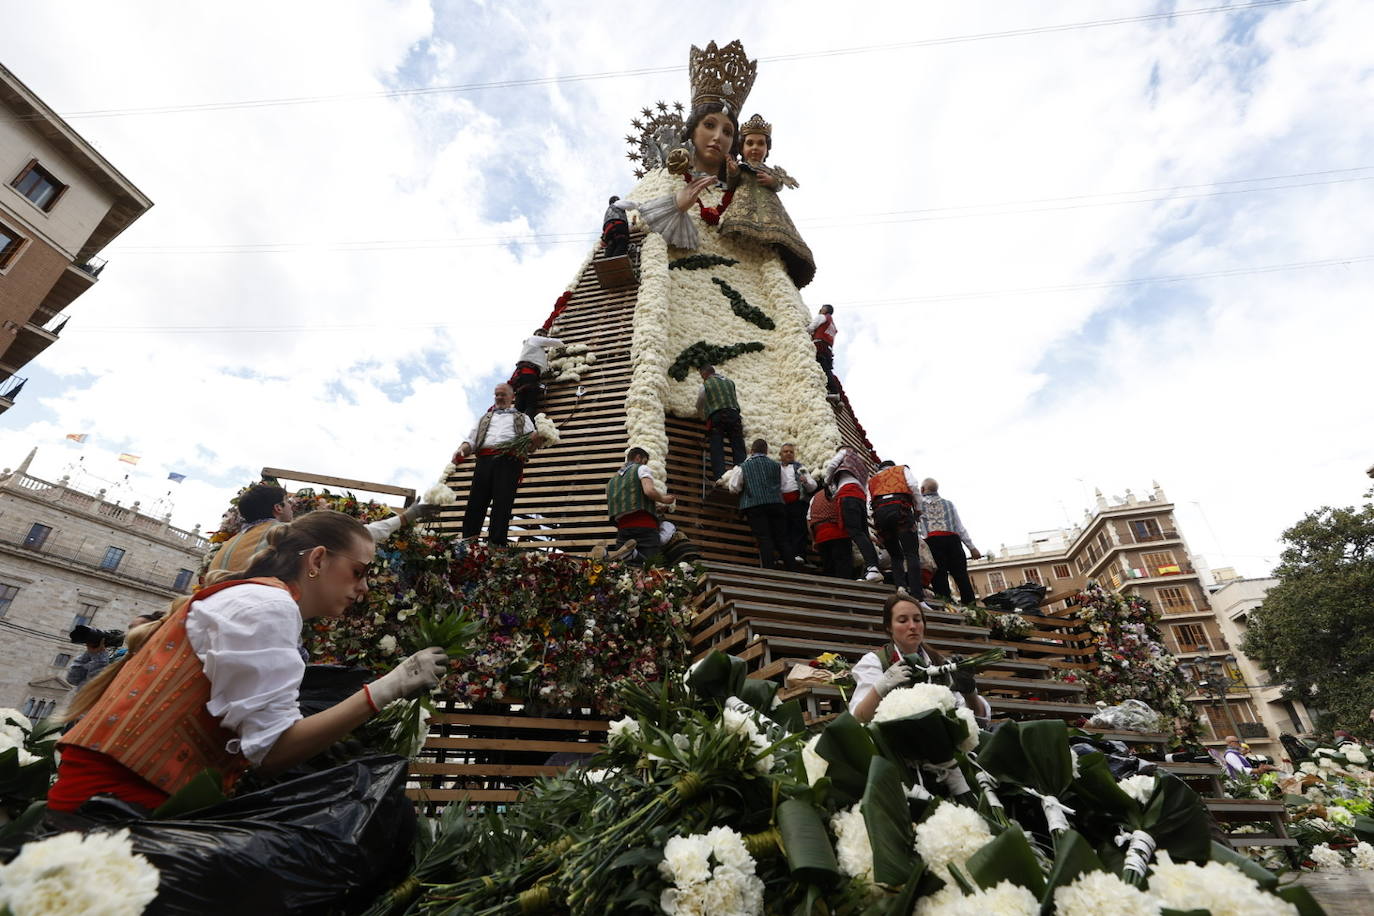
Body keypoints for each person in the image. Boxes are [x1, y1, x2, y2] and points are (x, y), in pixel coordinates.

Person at [49, 510, 448, 811]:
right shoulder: (268, 606)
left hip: (119, 794)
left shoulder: (259, 596)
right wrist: (390, 686)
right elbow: (274, 751)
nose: (363, 588)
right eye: (359, 572)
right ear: (317, 560)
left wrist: (405, 518)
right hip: (114, 803)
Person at [612, 40, 840, 486]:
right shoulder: (663, 178)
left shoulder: (745, 199)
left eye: (727, 132)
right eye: (710, 126)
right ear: (692, 130)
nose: (718, 137)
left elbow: (772, 255)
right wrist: (675, 204)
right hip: (673, 308)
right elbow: (629, 220)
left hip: (761, 322)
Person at [203, 482, 436, 585]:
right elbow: (357, 535)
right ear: (277, 508)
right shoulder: (283, 533)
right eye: (287, 502)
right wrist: (406, 517)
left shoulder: (228, 544)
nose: (291, 507)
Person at [849, 593, 992, 726]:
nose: (912, 626)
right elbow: (858, 717)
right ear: (889, 627)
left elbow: (976, 721)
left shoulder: (941, 664)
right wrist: (881, 687)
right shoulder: (874, 661)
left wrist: (970, 693)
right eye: (903, 620)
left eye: (917, 620)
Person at [718, 112, 814, 289]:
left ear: (767, 149)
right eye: (750, 143)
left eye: (760, 143)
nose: (755, 147)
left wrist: (773, 182)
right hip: (744, 204)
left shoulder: (769, 170)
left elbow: (778, 184)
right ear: (742, 148)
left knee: (772, 240)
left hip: (770, 207)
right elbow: (731, 184)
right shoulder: (740, 167)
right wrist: (732, 171)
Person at [455, 382, 546, 546]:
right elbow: (471, 441)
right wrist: (462, 449)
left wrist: (537, 439)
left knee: (502, 503)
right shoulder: (484, 418)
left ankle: (496, 544)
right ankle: (468, 541)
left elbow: (531, 446)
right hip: (484, 461)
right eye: (496, 394)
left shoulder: (523, 418)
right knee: (476, 501)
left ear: (512, 397)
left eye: (503, 394)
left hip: (509, 462)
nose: (499, 397)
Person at [605, 447, 676, 565]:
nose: (645, 464)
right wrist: (664, 499)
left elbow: (627, 503)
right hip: (645, 527)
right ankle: (634, 555)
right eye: (645, 461)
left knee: (625, 570)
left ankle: (629, 555)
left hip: (623, 530)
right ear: (638, 458)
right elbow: (649, 491)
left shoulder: (613, 480)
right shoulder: (641, 468)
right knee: (651, 566)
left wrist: (654, 507)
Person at [729, 439, 791, 571]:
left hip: (755, 505)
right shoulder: (776, 465)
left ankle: (769, 570)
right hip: (776, 504)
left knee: (764, 538)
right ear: (766, 451)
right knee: (782, 539)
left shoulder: (743, 466)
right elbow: (785, 486)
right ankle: (792, 569)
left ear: (751, 451)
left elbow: (734, 487)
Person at [919, 478, 982, 606]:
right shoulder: (949, 504)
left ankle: (945, 606)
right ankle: (971, 607)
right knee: (961, 576)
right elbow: (960, 528)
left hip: (933, 542)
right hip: (953, 541)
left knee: (939, 577)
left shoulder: (918, 504)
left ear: (922, 490)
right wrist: (972, 548)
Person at [868, 460, 926, 600]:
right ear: (892, 466)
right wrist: (918, 509)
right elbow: (913, 486)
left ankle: (900, 587)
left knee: (895, 555)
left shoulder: (873, 479)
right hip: (901, 509)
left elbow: (868, 501)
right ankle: (917, 595)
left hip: (880, 514)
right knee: (911, 553)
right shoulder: (901, 469)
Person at [823, 446, 882, 582]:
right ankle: (873, 567)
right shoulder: (862, 464)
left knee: (855, 532)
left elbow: (832, 465)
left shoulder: (845, 453)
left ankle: (872, 567)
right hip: (860, 497)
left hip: (848, 494)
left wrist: (826, 482)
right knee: (863, 533)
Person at [696, 365, 747, 483]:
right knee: (738, 446)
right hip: (734, 415)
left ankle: (720, 477)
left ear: (704, 374)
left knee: (717, 447)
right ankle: (742, 476)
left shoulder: (706, 385)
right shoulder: (730, 382)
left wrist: (702, 414)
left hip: (718, 417)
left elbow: (700, 402)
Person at [511, 328, 565, 420]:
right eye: (540, 334)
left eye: (543, 335)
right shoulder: (533, 339)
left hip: (522, 376)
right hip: (529, 375)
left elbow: (539, 364)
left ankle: (516, 428)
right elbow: (556, 342)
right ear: (535, 334)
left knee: (519, 405)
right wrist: (562, 347)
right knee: (530, 404)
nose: (541, 336)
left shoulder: (535, 349)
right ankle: (527, 429)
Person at [778, 442, 816, 566]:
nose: (789, 453)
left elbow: (813, 486)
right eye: (786, 451)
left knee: (799, 530)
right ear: (780, 454)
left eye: (791, 451)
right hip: (781, 503)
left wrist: (805, 482)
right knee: (783, 530)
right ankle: (785, 556)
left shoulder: (801, 468)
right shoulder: (775, 468)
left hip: (798, 502)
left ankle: (799, 555)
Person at [808, 486, 852, 579]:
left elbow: (808, 519)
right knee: (843, 568)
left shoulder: (815, 497)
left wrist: (813, 540)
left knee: (829, 568)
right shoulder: (841, 491)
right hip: (839, 533)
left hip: (820, 535)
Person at [807, 305, 839, 399]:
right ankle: (833, 392)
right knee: (826, 370)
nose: (820, 309)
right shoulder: (832, 325)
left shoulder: (822, 317)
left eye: (822, 307)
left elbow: (810, 328)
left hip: (820, 345)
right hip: (828, 350)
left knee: (818, 366)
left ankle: (834, 392)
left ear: (825, 310)